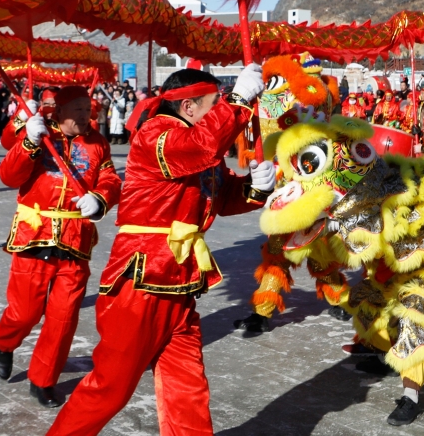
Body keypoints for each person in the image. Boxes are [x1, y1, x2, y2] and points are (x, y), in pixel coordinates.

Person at [46, 65, 275, 436]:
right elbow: (201, 146)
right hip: (141, 279)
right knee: (111, 387)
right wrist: (237, 101)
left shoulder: (199, 146)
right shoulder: (156, 134)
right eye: (212, 104)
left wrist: (255, 187)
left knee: (187, 388)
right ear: (188, 107)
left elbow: (221, 195)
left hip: (180, 280)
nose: (217, 110)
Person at [0, 86, 121, 409]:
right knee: (25, 313)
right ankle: (5, 343)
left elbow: (110, 179)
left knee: (63, 319)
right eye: (77, 109)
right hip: (34, 236)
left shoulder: (98, 143)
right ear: (58, 111)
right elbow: (9, 176)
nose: (85, 115)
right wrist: (29, 143)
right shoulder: (38, 131)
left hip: (75, 239)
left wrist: (101, 198)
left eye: (88, 109)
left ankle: (43, 378)